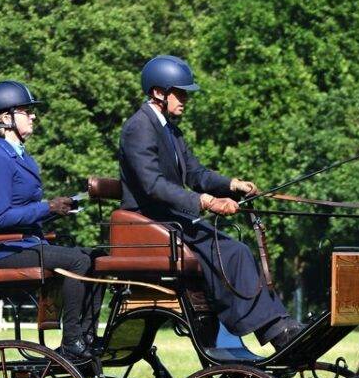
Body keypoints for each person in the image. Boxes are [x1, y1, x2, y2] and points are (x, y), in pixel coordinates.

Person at [118, 55, 301, 350]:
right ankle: (276, 332)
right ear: (158, 92)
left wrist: (232, 185)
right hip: (150, 223)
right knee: (232, 252)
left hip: (171, 220)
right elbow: (153, 185)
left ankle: (279, 324)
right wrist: (205, 201)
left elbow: (196, 173)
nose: (185, 100)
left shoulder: (170, 130)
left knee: (237, 250)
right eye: (180, 93)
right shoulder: (138, 128)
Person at [0, 81, 102, 359]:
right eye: (25, 111)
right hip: (2, 250)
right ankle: (72, 340)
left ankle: (88, 335)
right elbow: (3, 217)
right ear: (4, 118)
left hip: (25, 243)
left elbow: (27, 209)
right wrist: (47, 207)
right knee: (78, 261)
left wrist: (58, 207)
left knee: (96, 257)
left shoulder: (22, 158)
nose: (33, 116)